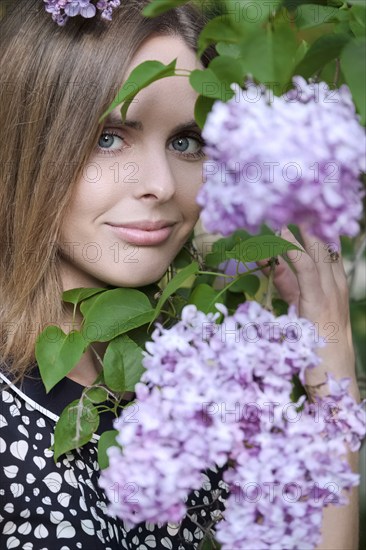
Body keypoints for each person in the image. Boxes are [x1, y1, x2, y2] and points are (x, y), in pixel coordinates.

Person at [0, 0, 361, 549]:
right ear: (33, 144)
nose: (163, 185)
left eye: (186, 142)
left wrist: (329, 348)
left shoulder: (201, 385)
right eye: (109, 137)